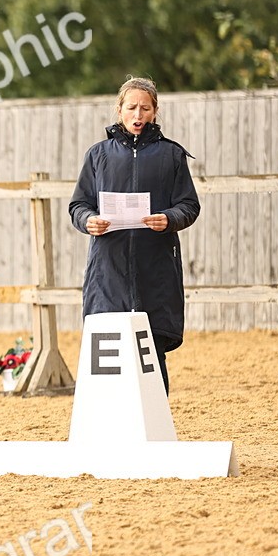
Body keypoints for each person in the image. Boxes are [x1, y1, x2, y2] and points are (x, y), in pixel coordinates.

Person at [69, 76, 200, 395]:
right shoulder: (98, 155)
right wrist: (89, 221)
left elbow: (189, 205)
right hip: (108, 272)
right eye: (131, 107)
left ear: (155, 111)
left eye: (145, 108)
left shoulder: (171, 156)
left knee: (151, 352)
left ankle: (156, 428)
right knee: (110, 354)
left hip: (154, 271)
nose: (138, 114)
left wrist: (167, 219)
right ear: (120, 110)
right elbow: (78, 204)